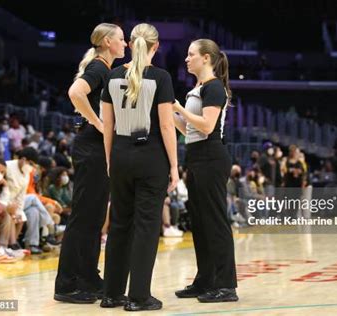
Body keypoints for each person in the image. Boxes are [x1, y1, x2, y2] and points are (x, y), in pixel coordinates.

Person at [101, 23, 178, 311]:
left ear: (131, 44)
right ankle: (139, 297)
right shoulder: (161, 77)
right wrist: (174, 165)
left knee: (119, 225)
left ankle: (111, 294)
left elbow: (107, 124)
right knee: (146, 227)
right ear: (155, 47)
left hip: (120, 153)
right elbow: (167, 125)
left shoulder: (112, 75)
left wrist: (110, 158)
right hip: (151, 156)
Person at [54, 22, 127, 304]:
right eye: (121, 39)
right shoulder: (98, 67)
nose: (125, 44)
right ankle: (67, 283)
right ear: (108, 42)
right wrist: (97, 122)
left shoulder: (105, 69)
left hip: (97, 149)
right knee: (84, 217)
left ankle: (87, 275)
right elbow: (75, 93)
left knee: (95, 217)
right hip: (90, 148)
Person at [172, 39, 238, 303]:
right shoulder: (198, 88)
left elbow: (208, 126)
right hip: (196, 155)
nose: (187, 59)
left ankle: (226, 285)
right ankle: (205, 281)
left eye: (191, 55)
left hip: (211, 157)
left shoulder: (214, 88)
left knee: (216, 222)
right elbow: (190, 130)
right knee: (199, 223)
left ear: (206, 58)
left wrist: (178, 109)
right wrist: (170, 115)